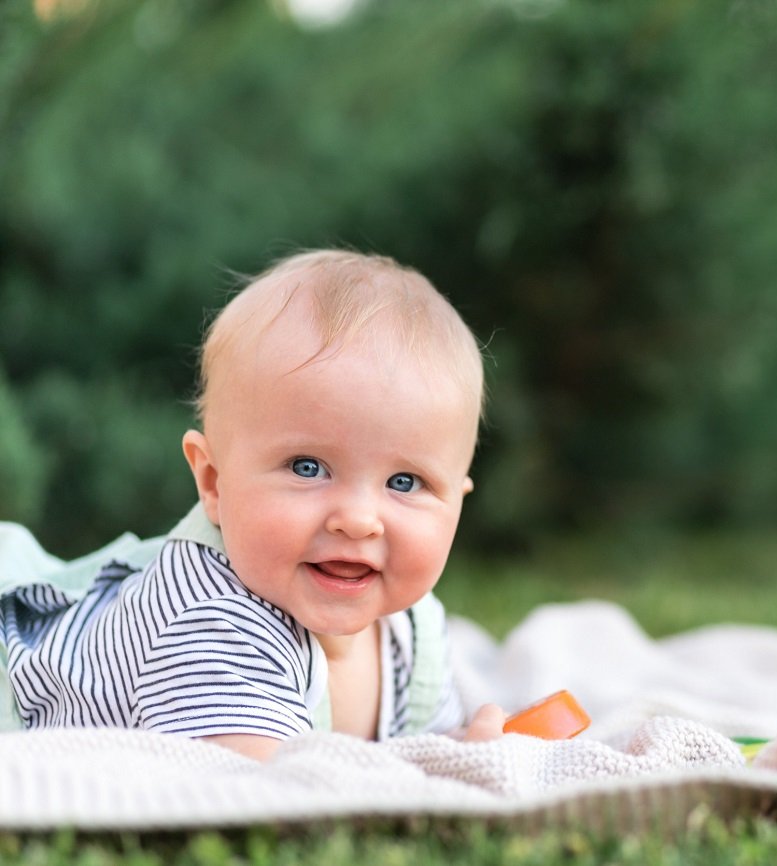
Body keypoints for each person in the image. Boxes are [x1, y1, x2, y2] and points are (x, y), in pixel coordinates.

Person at [0, 250, 506, 759]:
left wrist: (463, 750)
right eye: (307, 467)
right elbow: (269, 793)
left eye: (404, 481)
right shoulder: (213, 624)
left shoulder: (414, 633)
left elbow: (416, 753)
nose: (357, 520)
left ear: (456, 504)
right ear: (215, 482)